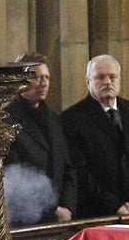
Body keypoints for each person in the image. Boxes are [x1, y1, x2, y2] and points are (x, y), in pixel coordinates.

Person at [61, 54, 129, 216]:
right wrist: (114, 206)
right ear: (88, 82)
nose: (108, 82)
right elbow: (81, 171)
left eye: (113, 77)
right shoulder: (72, 119)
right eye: (100, 77)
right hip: (98, 212)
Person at [6, 53, 77, 223]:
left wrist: (67, 206)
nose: (44, 83)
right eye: (36, 77)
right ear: (19, 80)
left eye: (47, 77)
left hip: (62, 215)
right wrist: (51, 211)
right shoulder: (7, 120)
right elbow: (12, 177)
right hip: (28, 216)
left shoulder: (53, 118)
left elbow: (68, 167)